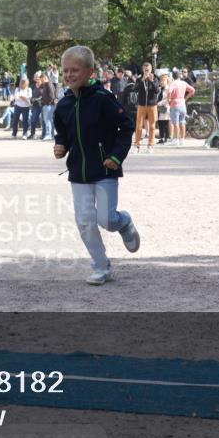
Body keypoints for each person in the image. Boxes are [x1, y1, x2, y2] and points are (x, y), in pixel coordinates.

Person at [53, 45, 139, 286]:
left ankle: (124, 222)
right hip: (78, 171)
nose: (69, 75)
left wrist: (117, 156)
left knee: (106, 219)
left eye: (75, 70)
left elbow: (126, 127)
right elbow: (63, 133)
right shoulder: (63, 104)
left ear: (90, 71)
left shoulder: (104, 99)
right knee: (84, 220)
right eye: (65, 71)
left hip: (105, 168)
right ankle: (101, 266)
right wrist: (61, 145)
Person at [132, 62, 159, 153]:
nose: (146, 71)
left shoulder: (154, 78)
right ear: (143, 69)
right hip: (142, 105)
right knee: (139, 126)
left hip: (152, 105)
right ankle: (137, 145)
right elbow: (135, 89)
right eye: (145, 69)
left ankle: (150, 145)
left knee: (152, 126)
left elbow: (157, 90)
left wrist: (151, 81)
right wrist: (142, 80)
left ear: (151, 69)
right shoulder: (139, 78)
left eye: (148, 69)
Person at [167, 69, 195, 146]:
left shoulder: (173, 83)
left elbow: (169, 92)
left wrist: (168, 100)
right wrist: (186, 98)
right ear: (179, 76)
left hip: (174, 104)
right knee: (182, 122)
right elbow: (192, 90)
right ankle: (182, 139)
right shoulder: (183, 83)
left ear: (172, 76)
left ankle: (176, 139)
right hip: (183, 104)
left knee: (175, 123)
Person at [39, 72, 58, 141]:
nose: (41, 81)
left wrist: (46, 102)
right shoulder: (46, 85)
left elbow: (52, 96)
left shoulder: (49, 85)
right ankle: (52, 134)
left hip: (49, 105)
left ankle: (48, 134)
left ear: (45, 78)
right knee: (49, 120)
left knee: (48, 120)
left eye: (42, 79)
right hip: (47, 105)